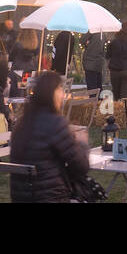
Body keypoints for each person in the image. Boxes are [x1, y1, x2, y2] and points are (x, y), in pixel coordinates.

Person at [9, 70, 89, 202]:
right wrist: (82, 143)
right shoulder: (55, 124)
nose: (63, 95)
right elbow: (81, 167)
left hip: (21, 197)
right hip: (51, 197)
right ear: (52, 92)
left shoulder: (21, 123)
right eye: (60, 89)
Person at [106, 22, 127, 101]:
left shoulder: (113, 41)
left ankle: (116, 110)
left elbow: (107, 55)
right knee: (124, 95)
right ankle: (123, 111)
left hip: (114, 70)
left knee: (116, 93)